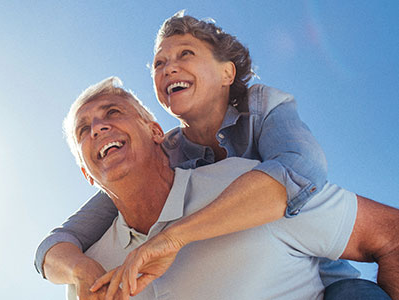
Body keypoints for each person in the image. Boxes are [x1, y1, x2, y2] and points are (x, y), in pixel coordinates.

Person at [36, 12, 389, 298]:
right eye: (159, 63)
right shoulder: (164, 152)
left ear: (226, 72)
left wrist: (174, 237)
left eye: (185, 54)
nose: (168, 68)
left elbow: (299, 171)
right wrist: (81, 271)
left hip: (327, 274)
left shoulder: (262, 107)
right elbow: (61, 240)